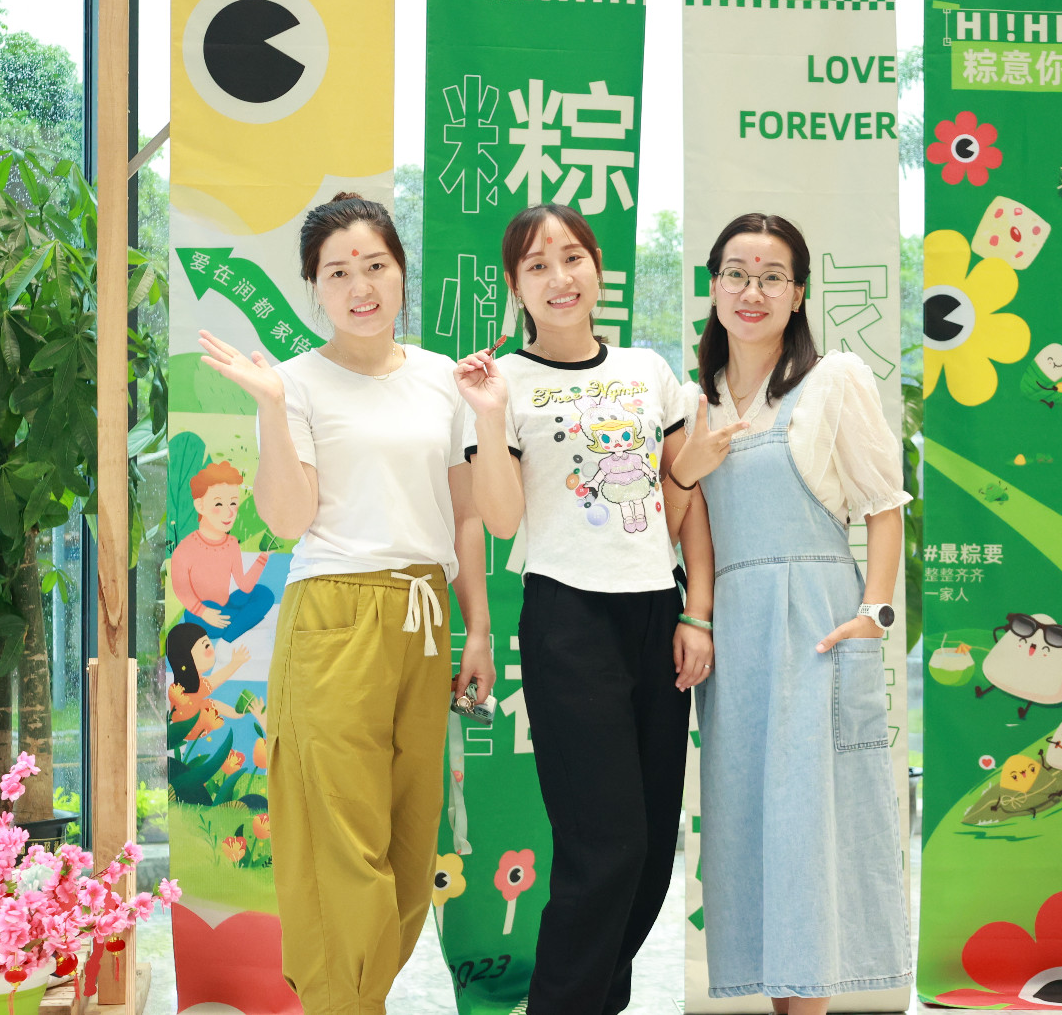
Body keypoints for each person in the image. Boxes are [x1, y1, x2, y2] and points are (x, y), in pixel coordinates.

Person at [197, 192, 494, 1015]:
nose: (360, 287)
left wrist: (477, 627)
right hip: (334, 615)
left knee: (409, 841)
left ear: (401, 272)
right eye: (337, 273)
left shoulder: (441, 379)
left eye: (375, 266)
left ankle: (360, 999)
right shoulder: (293, 383)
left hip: (424, 615)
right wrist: (268, 407)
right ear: (313, 287)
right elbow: (288, 520)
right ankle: (344, 1004)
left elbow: (467, 514)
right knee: (339, 841)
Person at [454, 202, 715, 1015]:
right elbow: (501, 520)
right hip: (568, 621)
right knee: (606, 848)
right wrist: (489, 414)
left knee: (649, 856)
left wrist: (697, 611)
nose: (559, 277)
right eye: (537, 266)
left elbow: (682, 501)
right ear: (516, 287)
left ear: (599, 269)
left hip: (656, 614)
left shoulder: (647, 371)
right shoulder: (503, 385)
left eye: (572, 257)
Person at [667, 213, 912, 1012]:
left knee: (813, 830)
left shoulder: (832, 381)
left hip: (816, 625)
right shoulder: (696, 401)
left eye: (772, 277)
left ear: (798, 294)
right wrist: (700, 616)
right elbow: (691, 526)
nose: (753, 291)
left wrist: (873, 614)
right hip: (737, 639)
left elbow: (883, 504)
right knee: (749, 831)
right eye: (736, 274)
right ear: (713, 287)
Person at [170, 461, 274, 641]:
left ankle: (230, 634)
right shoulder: (185, 548)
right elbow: (182, 590)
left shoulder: (231, 543)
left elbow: (244, 586)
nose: (229, 512)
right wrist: (203, 612)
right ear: (200, 506)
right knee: (198, 612)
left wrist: (263, 557)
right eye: (219, 504)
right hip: (201, 615)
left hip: (225, 608)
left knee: (264, 594)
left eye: (233, 503)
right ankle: (241, 624)